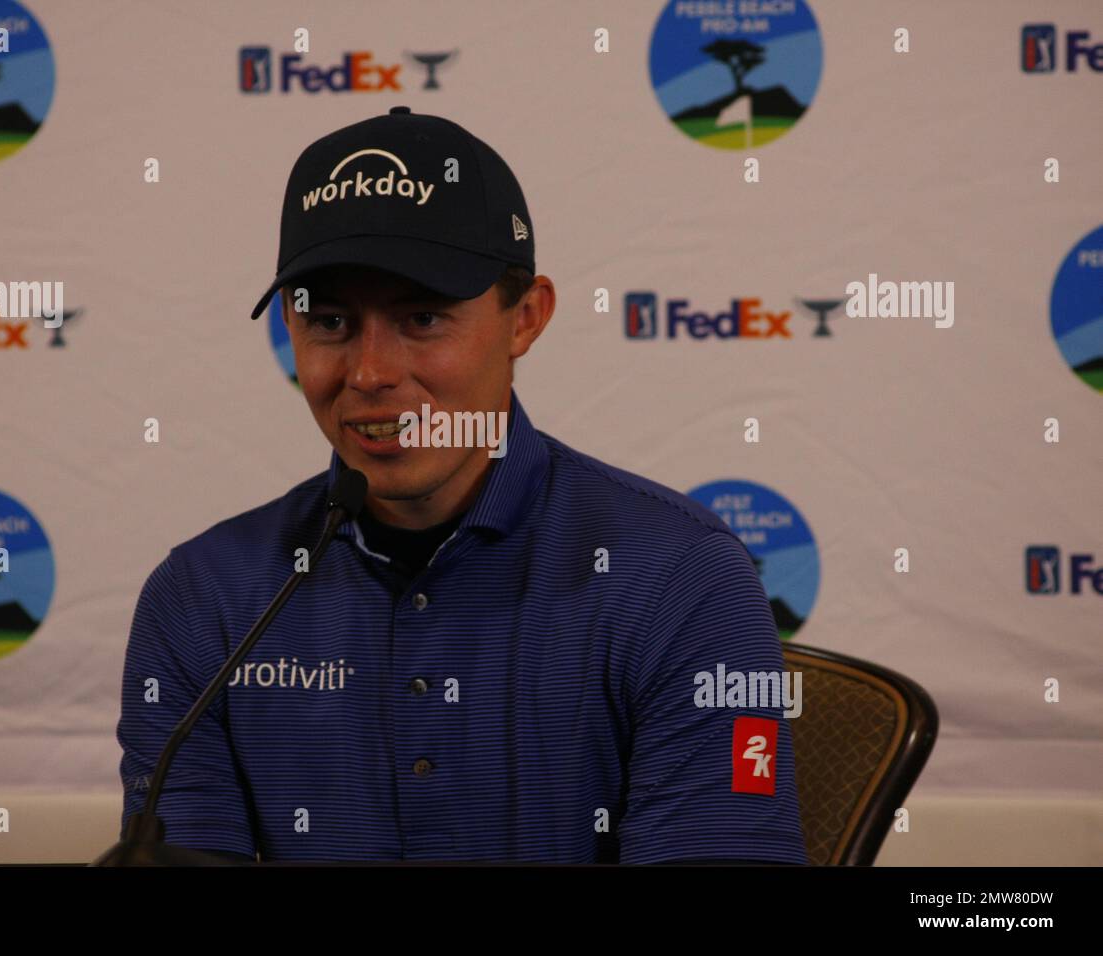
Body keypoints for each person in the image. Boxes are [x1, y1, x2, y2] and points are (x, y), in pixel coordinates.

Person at [115, 106, 806, 864]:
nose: (371, 373)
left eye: (422, 318)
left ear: (526, 319)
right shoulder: (201, 597)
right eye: (333, 323)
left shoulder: (681, 579)